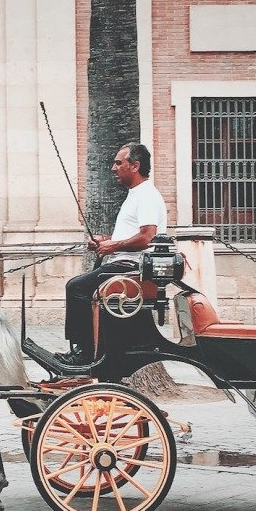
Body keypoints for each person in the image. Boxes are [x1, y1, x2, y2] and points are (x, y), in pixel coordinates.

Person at [58, 143, 168, 365]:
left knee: (76, 287)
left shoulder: (146, 195)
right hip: (123, 263)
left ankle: (86, 352)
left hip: (129, 267)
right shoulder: (136, 194)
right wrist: (105, 241)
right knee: (80, 286)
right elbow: (133, 234)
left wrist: (112, 247)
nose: (113, 168)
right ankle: (86, 348)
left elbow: (147, 237)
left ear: (135, 166)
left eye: (119, 163)